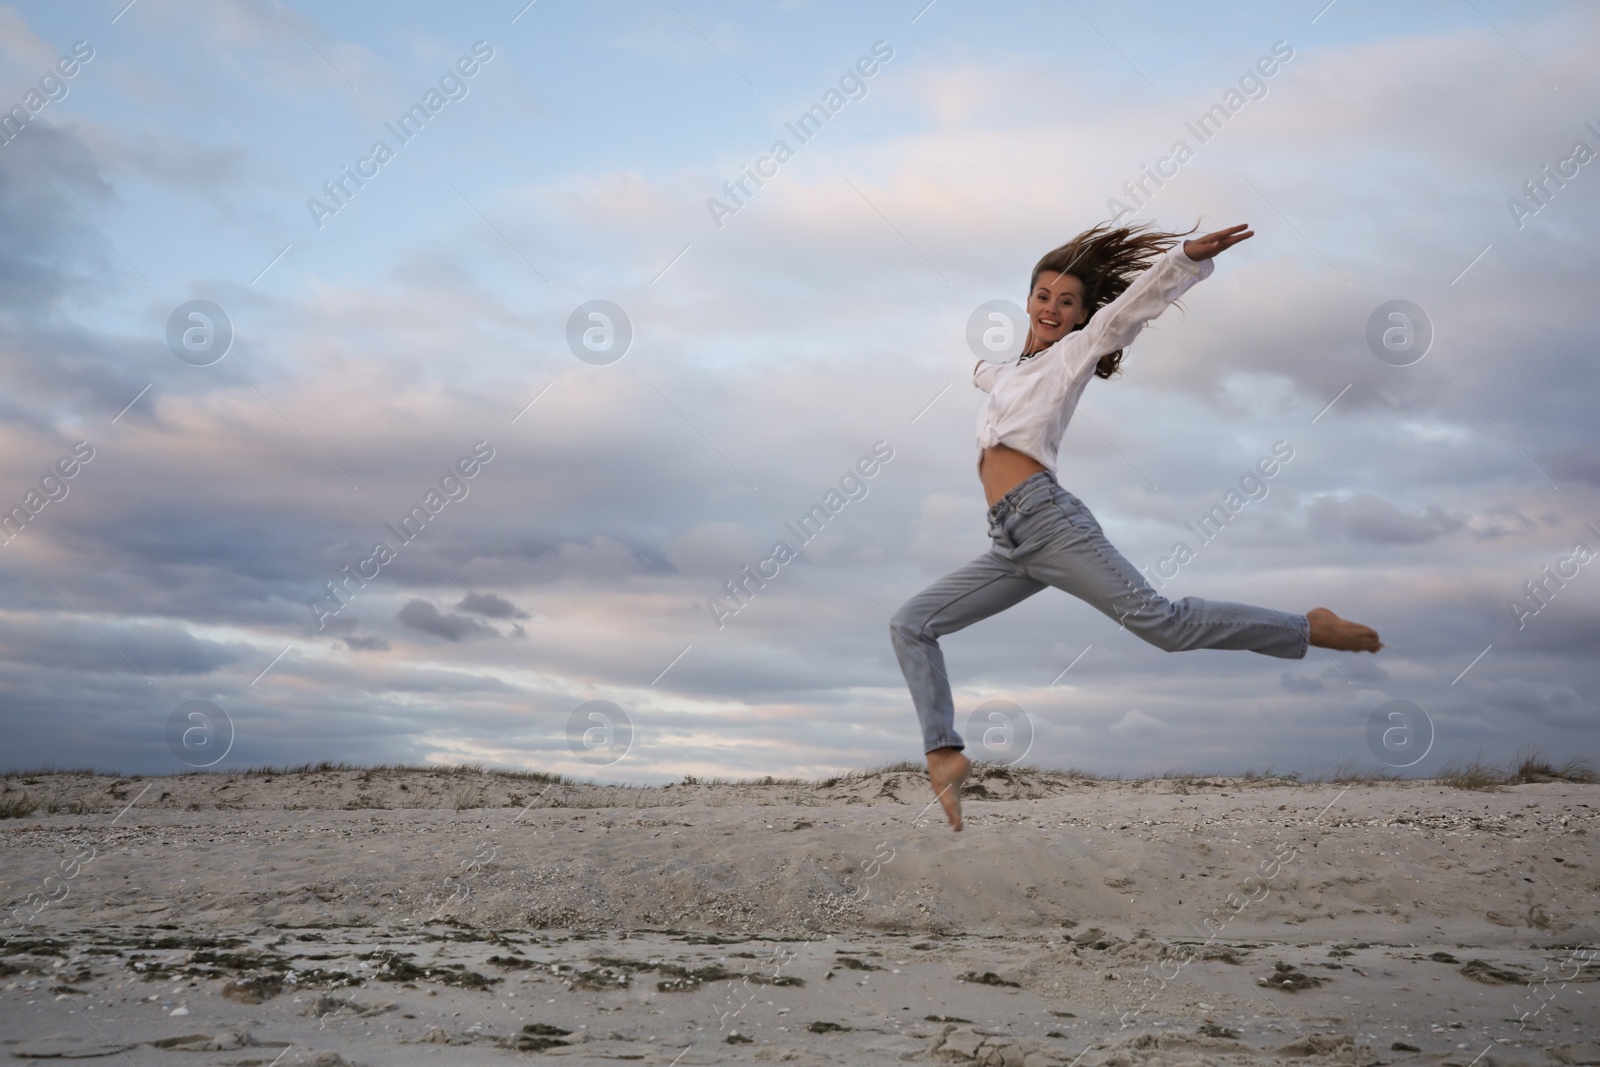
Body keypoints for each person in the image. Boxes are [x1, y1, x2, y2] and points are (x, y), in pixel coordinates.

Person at [890, 220, 1381, 832]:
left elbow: (1124, 316)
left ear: (1079, 316)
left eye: (1067, 302)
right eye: (1043, 296)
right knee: (911, 624)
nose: (1052, 308)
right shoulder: (1006, 371)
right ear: (1027, 301)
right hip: (1008, 541)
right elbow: (990, 373)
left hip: (1049, 522)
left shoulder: (1072, 354)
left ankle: (1307, 627)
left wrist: (1182, 261)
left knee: (1163, 625)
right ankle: (943, 753)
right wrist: (979, 366)